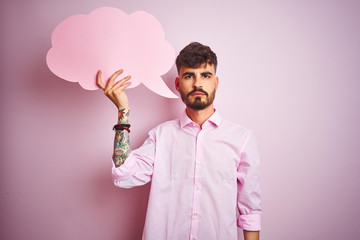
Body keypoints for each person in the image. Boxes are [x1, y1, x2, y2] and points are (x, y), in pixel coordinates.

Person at [97, 42, 262, 240]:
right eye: (189, 75)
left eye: (205, 75)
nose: (197, 84)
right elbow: (124, 174)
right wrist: (123, 111)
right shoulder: (161, 136)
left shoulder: (241, 139)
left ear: (216, 83)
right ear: (178, 84)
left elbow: (250, 211)